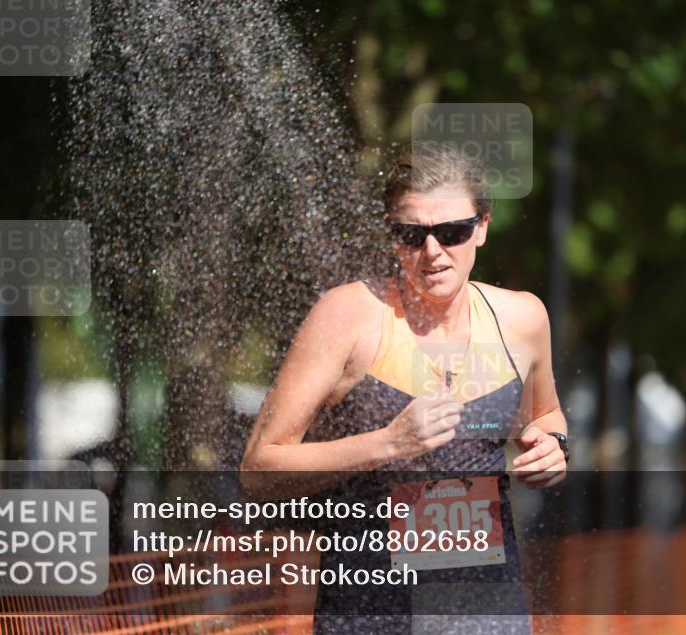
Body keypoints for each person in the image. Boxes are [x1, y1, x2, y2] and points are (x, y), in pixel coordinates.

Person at [241, 147, 568, 633]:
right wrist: (388, 443)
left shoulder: (522, 319)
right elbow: (258, 468)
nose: (432, 252)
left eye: (452, 232)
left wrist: (553, 447)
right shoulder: (349, 315)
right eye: (412, 235)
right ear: (391, 236)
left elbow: (544, 416)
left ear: (482, 226)